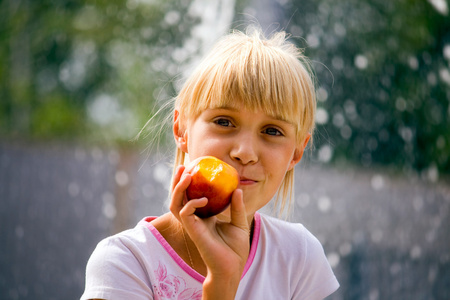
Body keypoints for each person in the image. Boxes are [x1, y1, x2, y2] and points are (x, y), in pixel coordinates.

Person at [81, 27, 339, 300]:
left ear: (296, 153)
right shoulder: (124, 264)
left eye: (272, 131)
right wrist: (221, 286)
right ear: (182, 130)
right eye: (224, 122)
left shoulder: (299, 258)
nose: (245, 152)